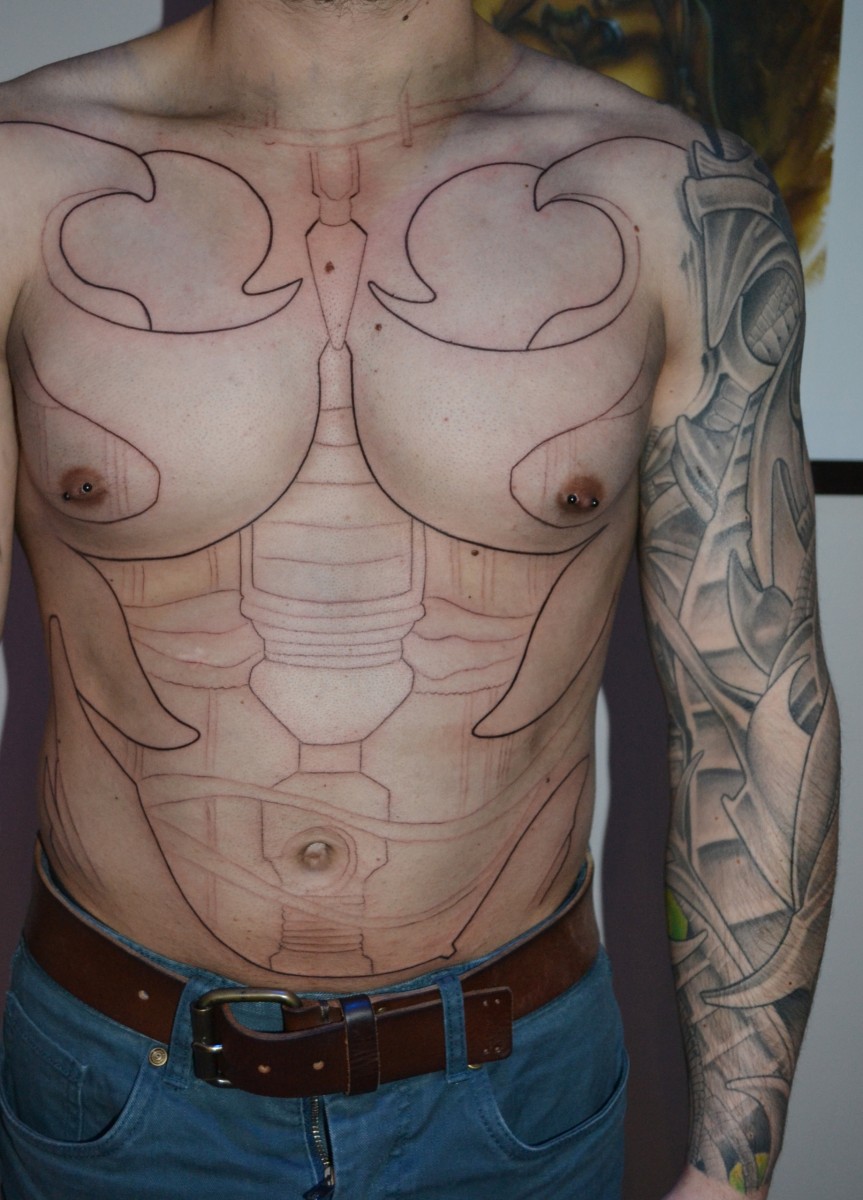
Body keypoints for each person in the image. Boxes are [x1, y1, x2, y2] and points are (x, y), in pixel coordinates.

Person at [0, 1, 839, 1197]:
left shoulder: (674, 199)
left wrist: (729, 1175)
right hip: (116, 1089)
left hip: (512, 1102)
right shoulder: (23, 176)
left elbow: (751, 712)